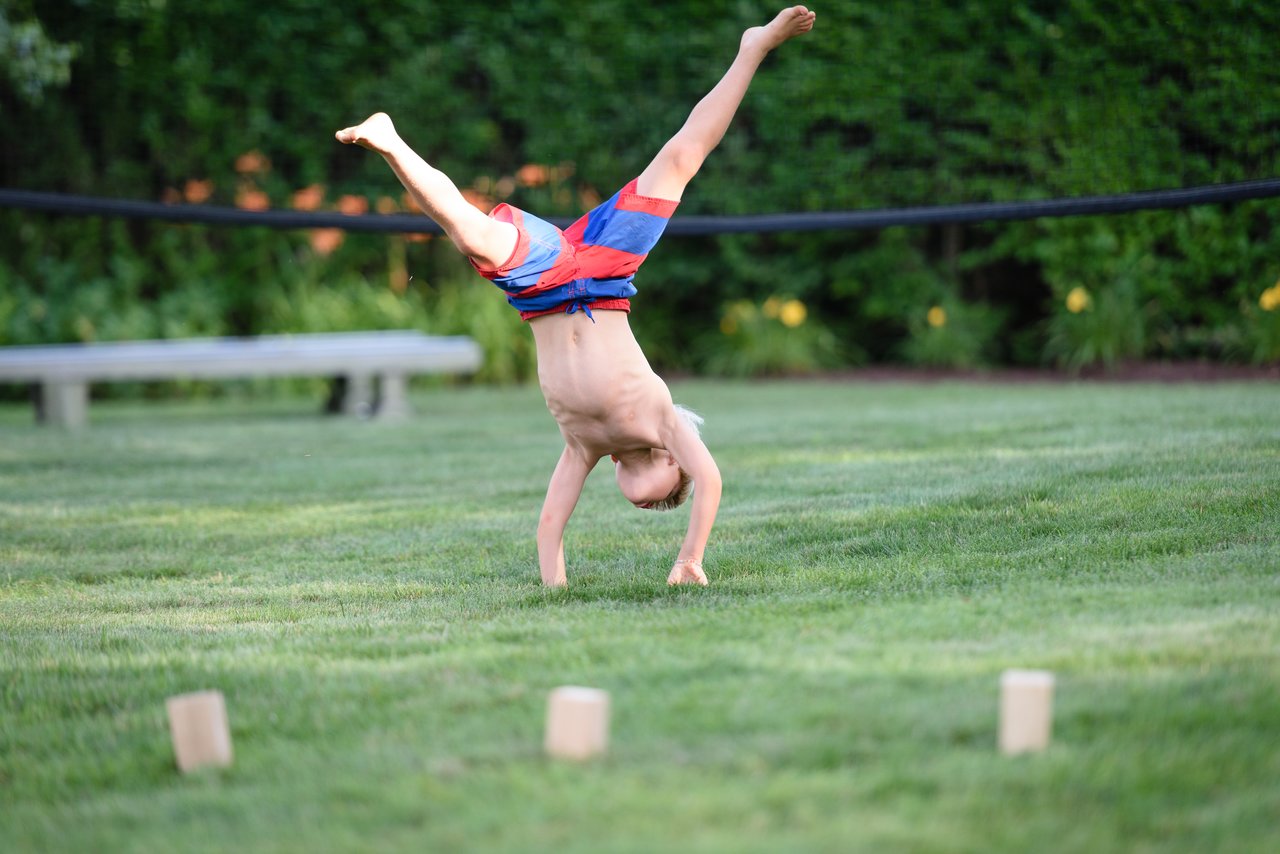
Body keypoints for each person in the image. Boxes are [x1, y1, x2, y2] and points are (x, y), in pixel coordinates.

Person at [336, 6, 817, 587]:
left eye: (650, 509)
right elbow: (710, 482)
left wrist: (553, 585)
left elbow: (550, 523)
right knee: (681, 158)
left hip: (545, 285)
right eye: (666, 501)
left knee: (470, 231)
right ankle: (753, 48)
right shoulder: (663, 422)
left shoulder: (583, 446)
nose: (651, 506)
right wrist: (690, 557)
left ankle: (389, 141)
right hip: (607, 274)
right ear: (673, 461)